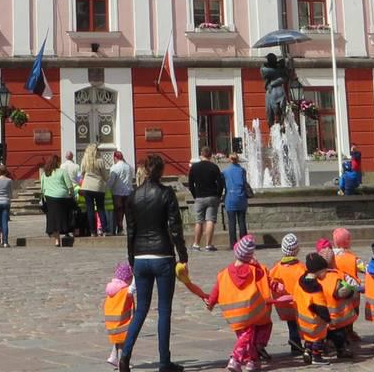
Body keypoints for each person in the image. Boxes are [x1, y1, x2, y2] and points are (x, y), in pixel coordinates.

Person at [118, 152, 189, 372]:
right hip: (162, 255)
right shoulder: (166, 193)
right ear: (161, 170)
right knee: (164, 310)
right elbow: (175, 228)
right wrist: (183, 255)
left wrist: (131, 258)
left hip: (140, 256)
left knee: (141, 309)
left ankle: (125, 356)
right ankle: (164, 361)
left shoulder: (133, 196)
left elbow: (130, 231)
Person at [204, 234, 273, 372]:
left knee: (245, 337)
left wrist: (211, 303)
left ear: (236, 253)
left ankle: (252, 361)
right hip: (249, 311)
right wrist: (256, 264)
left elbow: (216, 290)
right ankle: (235, 359)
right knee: (247, 337)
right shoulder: (254, 270)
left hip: (232, 314)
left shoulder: (223, 273)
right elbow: (262, 275)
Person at [268, 233, 306, 356]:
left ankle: (294, 343)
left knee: (291, 323)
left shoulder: (276, 268)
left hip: (283, 305)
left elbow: (269, 280)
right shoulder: (301, 268)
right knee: (298, 323)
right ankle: (296, 341)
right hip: (297, 304)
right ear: (297, 250)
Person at [187, 147, 224, 252]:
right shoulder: (214, 167)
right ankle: (208, 245)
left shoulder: (194, 167)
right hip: (212, 196)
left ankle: (196, 244)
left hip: (199, 196)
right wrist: (218, 195)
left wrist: (195, 195)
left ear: (201, 154)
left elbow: (190, 184)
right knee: (210, 220)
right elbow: (220, 183)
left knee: (199, 221)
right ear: (210, 155)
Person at [103, 261, 135, 367]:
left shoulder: (112, 289)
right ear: (127, 279)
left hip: (111, 321)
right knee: (122, 342)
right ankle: (122, 362)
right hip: (122, 321)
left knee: (118, 339)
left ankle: (113, 357)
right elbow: (133, 290)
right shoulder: (125, 290)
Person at [38, 154, 73, 246]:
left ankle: (57, 240)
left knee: (53, 219)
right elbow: (69, 185)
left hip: (50, 198)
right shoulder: (62, 171)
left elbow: (42, 188)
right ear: (57, 162)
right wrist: (71, 194)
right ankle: (67, 232)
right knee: (65, 215)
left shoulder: (45, 173)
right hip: (62, 197)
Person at [79, 145, 109, 237]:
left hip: (87, 187)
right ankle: (105, 230)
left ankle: (92, 231)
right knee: (100, 208)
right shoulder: (100, 161)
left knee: (90, 209)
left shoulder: (84, 160)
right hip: (98, 187)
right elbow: (105, 176)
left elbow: (81, 173)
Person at [221, 153, 250, 245]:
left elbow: (223, 184)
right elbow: (244, 183)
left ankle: (233, 243)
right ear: (238, 160)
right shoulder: (242, 170)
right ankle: (244, 242)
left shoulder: (225, 172)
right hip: (241, 198)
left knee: (231, 222)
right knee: (242, 221)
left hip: (230, 198)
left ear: (229, 160)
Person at [109, 151, 133, 236]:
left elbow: (111, 181)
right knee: (128, 212)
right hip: (128, 192)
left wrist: (107, 188)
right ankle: (130, 229)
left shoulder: (114, 167)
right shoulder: (129, 167)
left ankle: (120, 229)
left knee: (119, 212)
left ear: (115, 158)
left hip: (117, 192)